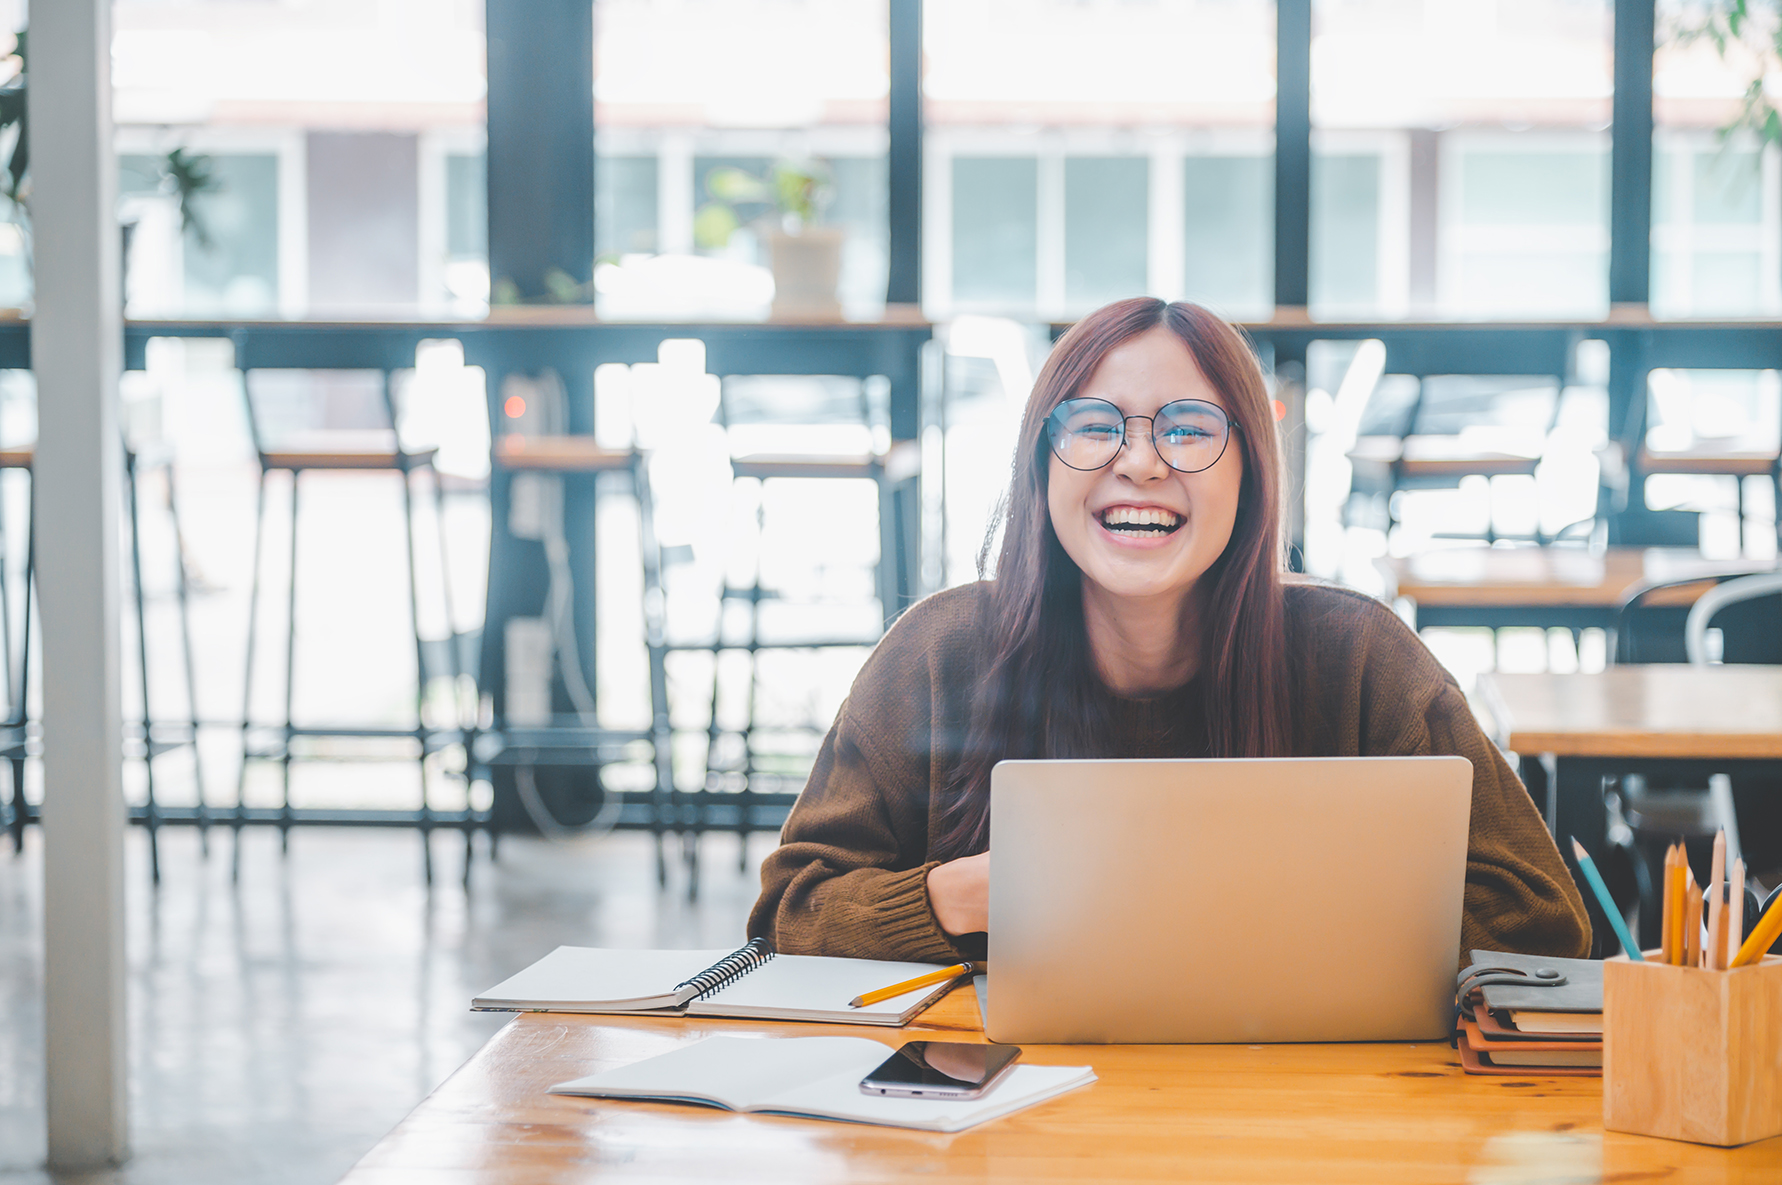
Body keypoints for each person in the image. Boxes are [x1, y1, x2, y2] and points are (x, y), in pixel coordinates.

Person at [748, 297, 1590, 965]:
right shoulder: (939, 652)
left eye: (1187, 429)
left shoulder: (1358, 655)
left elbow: (1542, 917)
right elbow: (789, 912)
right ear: (1040, 468)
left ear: (1251, 470)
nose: (1142, 462)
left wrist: (1239, 902)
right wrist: (963, 898)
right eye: (1094, 425)